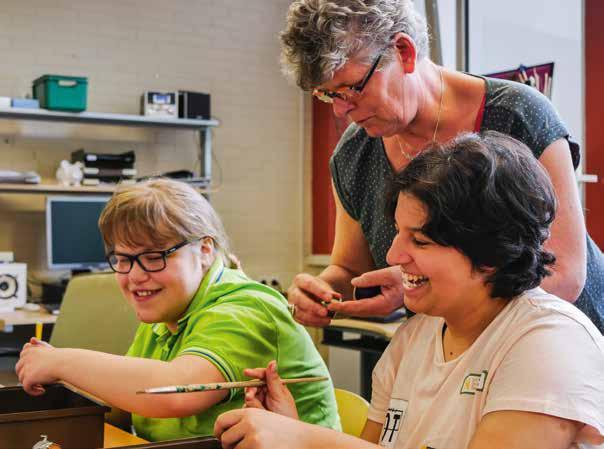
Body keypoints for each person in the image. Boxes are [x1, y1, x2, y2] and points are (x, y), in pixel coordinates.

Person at [213, 132, 604, 449]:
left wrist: (307, 442)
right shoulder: (417, 335)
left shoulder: (549, 341)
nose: (392, 254)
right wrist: (290, 430)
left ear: (490, 254)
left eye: (419, 241)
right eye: (399, 233)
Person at [282, 0, 604, 332]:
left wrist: (422, 283)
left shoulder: (517, 115)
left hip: (562, 338)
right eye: (328, 95)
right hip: (454, 353)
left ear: (404, 52)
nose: (340, 110)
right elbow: (350, 269)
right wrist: (324, 293)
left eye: (351, 89)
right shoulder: (354, 155)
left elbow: (564, 274)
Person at [16, 178, 340, 441]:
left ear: (204, 249)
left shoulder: (246, 308)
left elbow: (172, 392)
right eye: (124, 259)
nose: (135, 276)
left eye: (155, 256)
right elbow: (123, 405)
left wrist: (60, 361)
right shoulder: (167, 312)